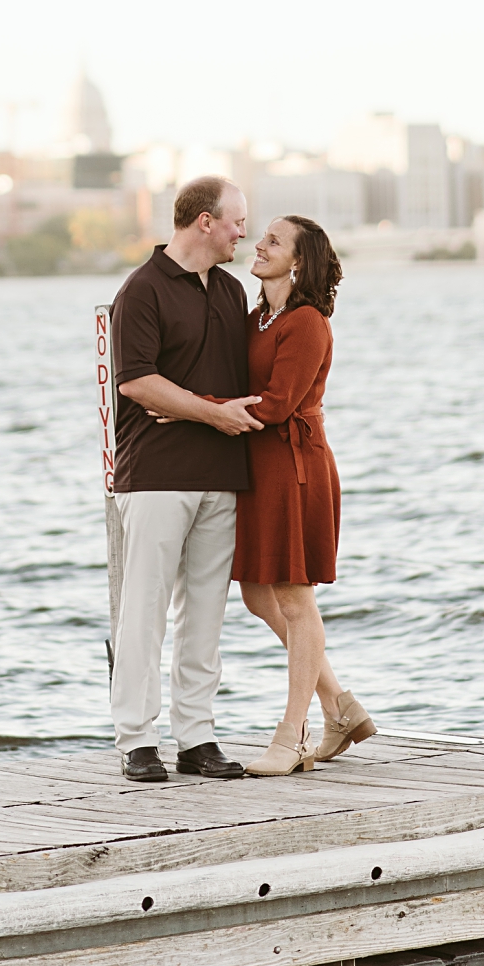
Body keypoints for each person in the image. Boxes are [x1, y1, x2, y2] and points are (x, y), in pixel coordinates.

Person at [109, 175, 263, 782]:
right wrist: (207, 410)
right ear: (204, 221)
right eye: (236, 220)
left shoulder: (229, 292)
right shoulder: (141, 291)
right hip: (155, 475)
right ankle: (136, 740)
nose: (243, 232)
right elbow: (137, 382)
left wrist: (188, 403)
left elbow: (227, 377)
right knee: (142, 608)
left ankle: (196, 738)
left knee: (205, 614)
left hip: (222, 474)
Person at [233, 214, 375, 776]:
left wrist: (198, 413)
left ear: (298, 261)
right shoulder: (258, 319)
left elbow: (275, 405)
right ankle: (339, 705)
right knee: (254, 592)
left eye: (273, 240)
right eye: (261, 236)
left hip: (295, 465)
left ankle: (292, 735)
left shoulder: (307, 322)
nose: (259, 245)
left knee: (295, 597)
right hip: (257, 465)